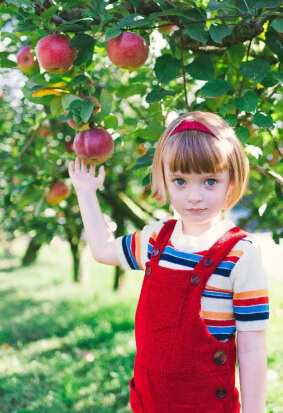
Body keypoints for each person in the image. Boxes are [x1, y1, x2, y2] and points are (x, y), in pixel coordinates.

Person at [68, 111, 269, 413]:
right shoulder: (155, 241)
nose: (194, 196)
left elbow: (252, 349)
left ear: (231, 181)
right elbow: (103, 249)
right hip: (151, 402)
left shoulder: (240, 254)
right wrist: (86, 192)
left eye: (210, 181)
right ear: (164, 180)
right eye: (180, 181)